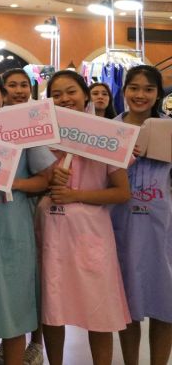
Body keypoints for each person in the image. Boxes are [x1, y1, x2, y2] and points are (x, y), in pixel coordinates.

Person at [39, 70, 131, 365]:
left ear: (85, 95)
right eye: (56, 95)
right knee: (52, 308)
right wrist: (48, 182)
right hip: (52, 230)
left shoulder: (106, 136)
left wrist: (76, 195)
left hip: (91, 234)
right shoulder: (42, 137)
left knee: (98, 310)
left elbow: (122, 192)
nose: (64, 99)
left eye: (71, 92)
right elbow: (32, 183)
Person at [0, 71, 55, 365]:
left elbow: (45, 179)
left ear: (2, 95)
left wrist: (14, 182)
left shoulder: (22, 128)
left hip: (11, 235)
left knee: (13, 312)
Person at [111, 65, 172, 365]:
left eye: (149, 89)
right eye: (134, 88)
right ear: (124, 91)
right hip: (120, 226)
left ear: (158, 94)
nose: (140, 95)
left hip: (164, 228)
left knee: (166, 303)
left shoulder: (170, 129)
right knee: (127, 304)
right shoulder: (110, 131)